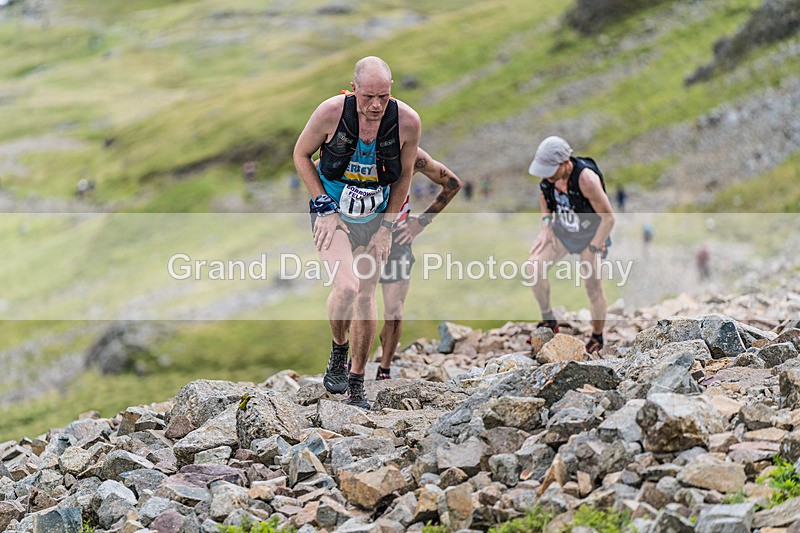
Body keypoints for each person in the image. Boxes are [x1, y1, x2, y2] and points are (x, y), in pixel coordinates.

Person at [293, 56, 421, 410]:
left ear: (391, 90)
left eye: (383, 96)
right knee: (347, 287)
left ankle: (357, 382)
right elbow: (301, 155)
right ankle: (339, 349)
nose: (376, 105)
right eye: (368, 97)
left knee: (366, 295)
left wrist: (387, 228)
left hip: (376, 219)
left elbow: (405, 177)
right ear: (354, 89)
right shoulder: (331, 113)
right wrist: (323, 205)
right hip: (334, 215)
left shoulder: (407, 122)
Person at [376, 148, 462, 379]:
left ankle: (384, 369)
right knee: (353, 302)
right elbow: (315, 167)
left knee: (394, 312)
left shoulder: (413, 155)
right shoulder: (357, 141)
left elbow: (453, 183)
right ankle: (347, 363)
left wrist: (422, 222)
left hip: (397, 239)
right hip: (360, 235)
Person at [527, 136, 616, 353]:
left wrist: (593, 248)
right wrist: (546, 226)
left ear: (565, 162)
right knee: (533, 268)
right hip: (564, 231)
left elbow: (609, 219)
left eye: (550, 171)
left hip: (592, 235)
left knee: (592, 284)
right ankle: (549, 321)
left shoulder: (586, 180)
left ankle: (597, 336)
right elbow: (544, 198)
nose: (546, 176)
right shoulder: (548, 179)